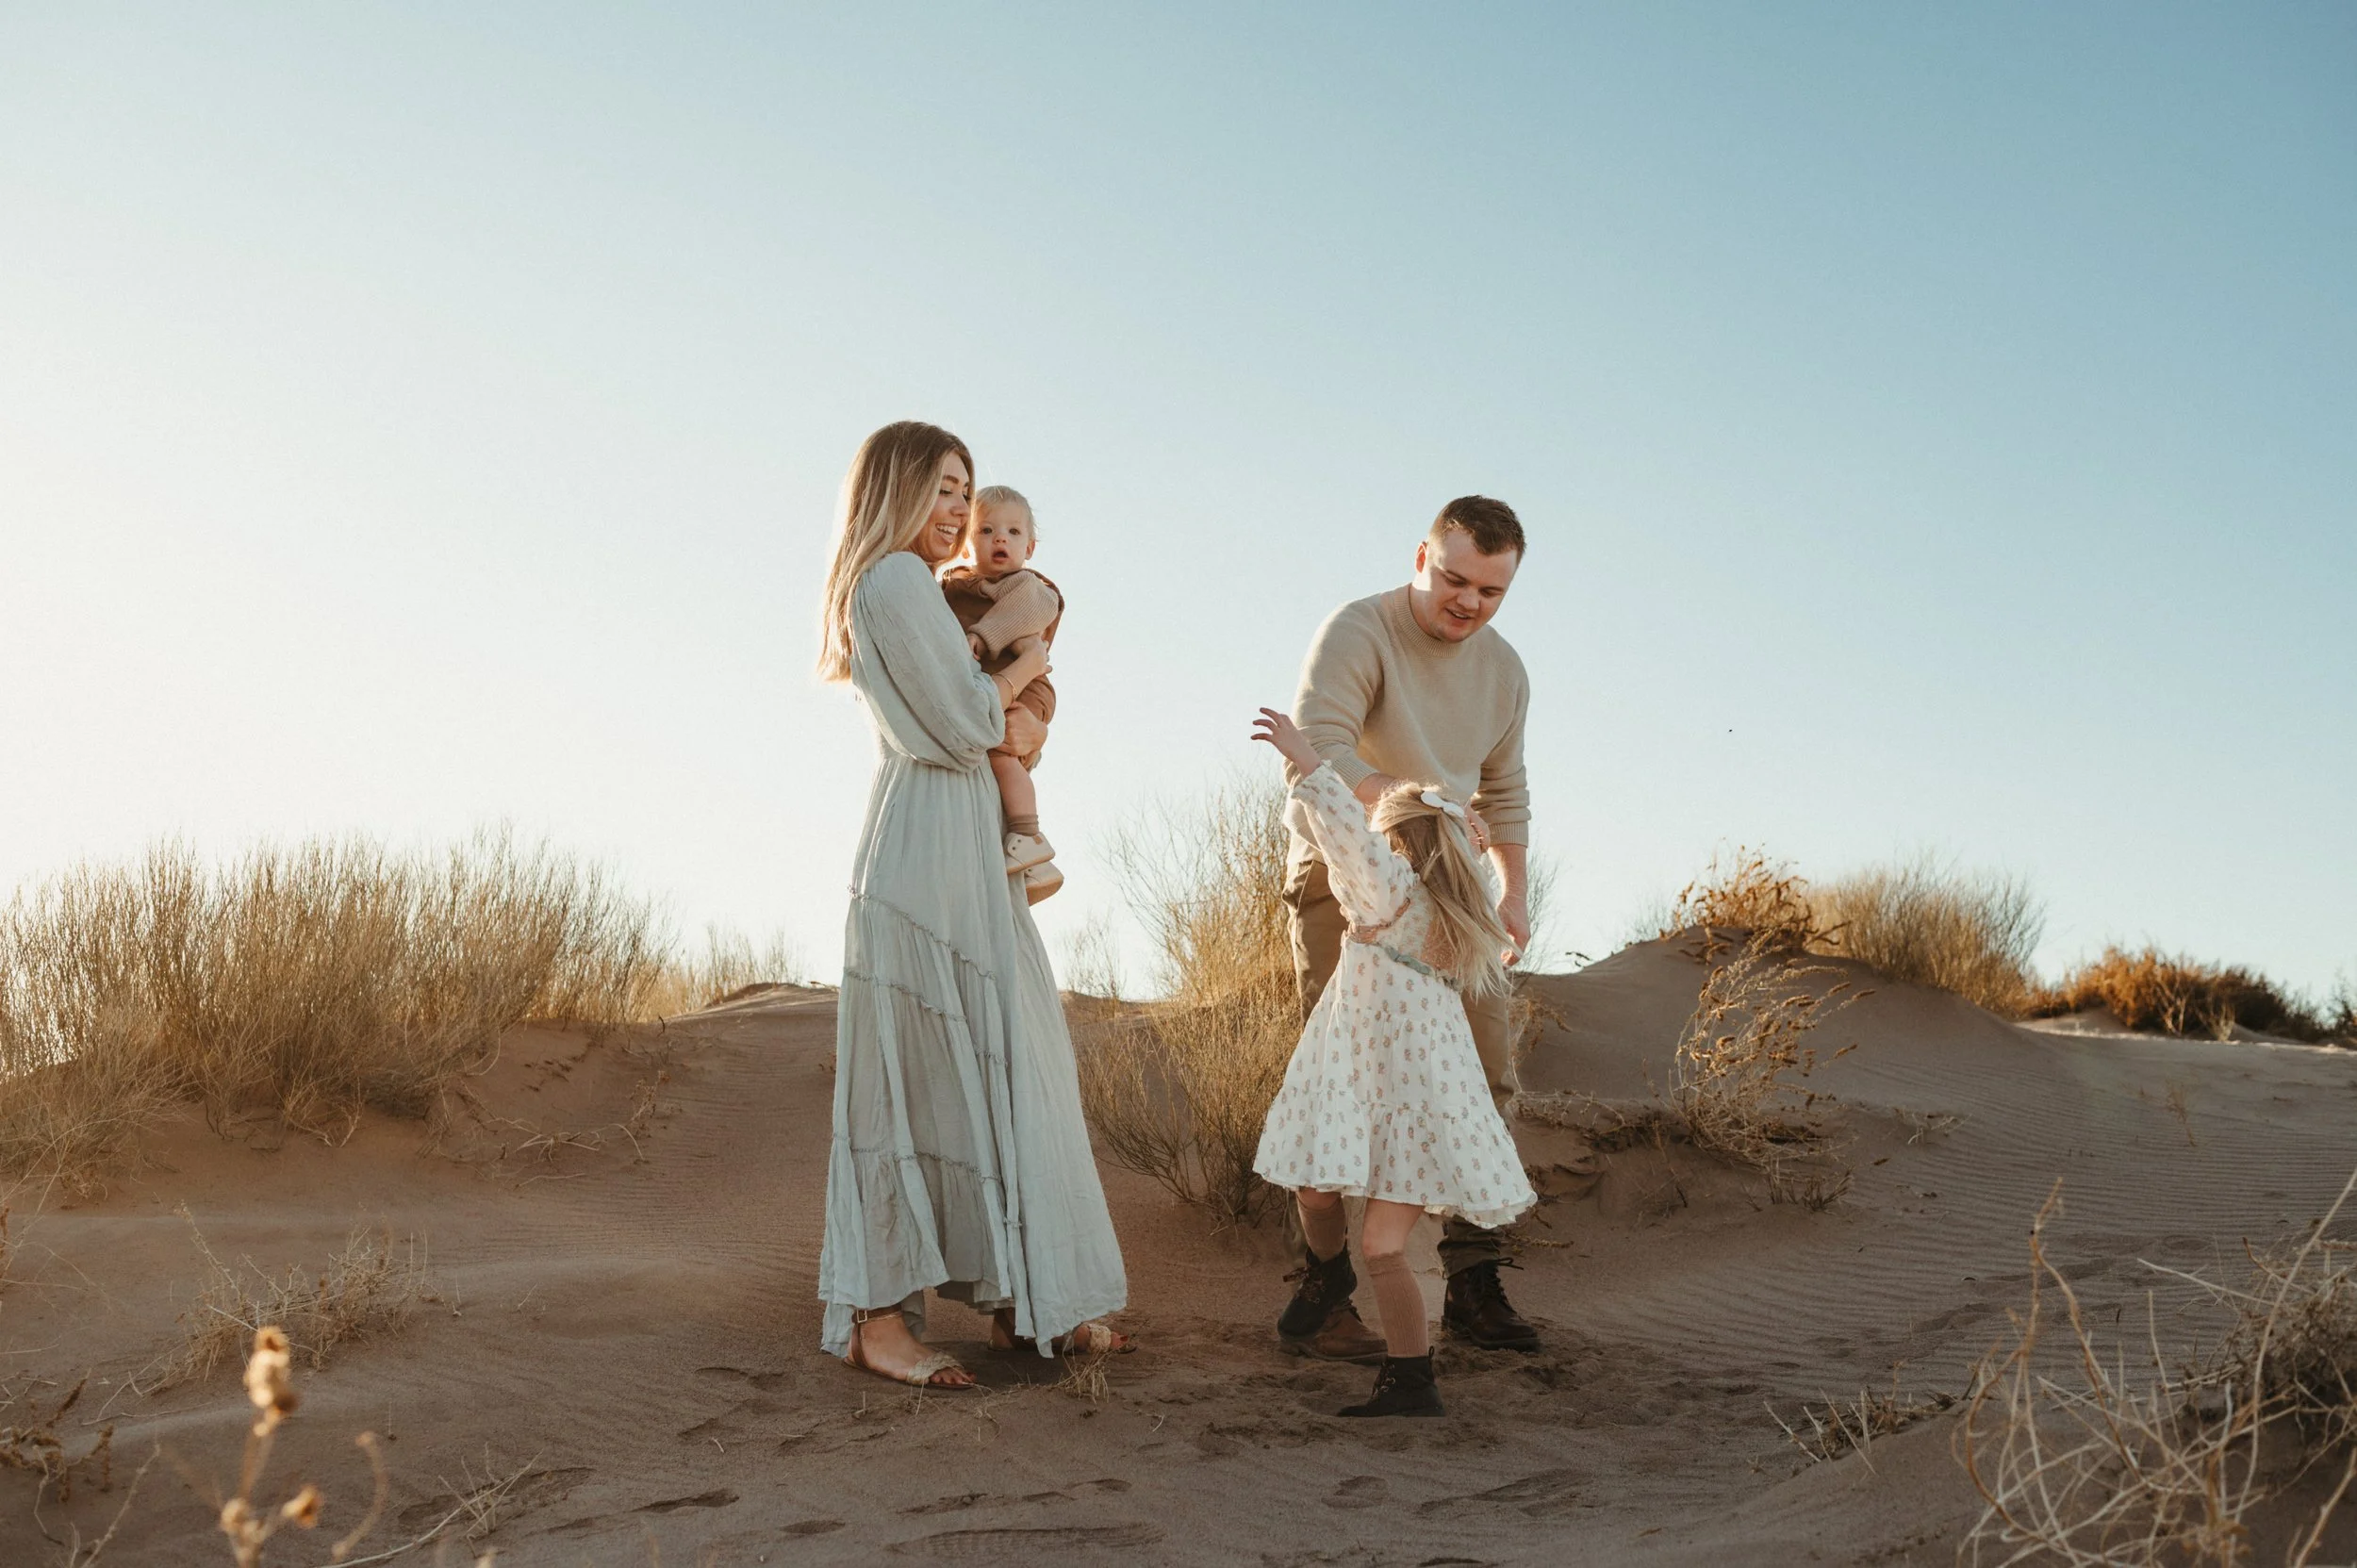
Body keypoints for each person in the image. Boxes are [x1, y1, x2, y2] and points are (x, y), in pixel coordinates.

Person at [814, 421, 1129, 1389]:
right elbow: (967, 725)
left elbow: (998, 727)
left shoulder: (920, 588)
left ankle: (1011, 1299)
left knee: (991, 1058)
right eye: (942, 488)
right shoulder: (895, 581)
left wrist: (1010, 675)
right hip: (925, 845)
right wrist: (1022, 654)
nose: (958, 510)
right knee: (909, 1077)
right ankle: (875, 1319)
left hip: (963, 846)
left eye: (967, 491)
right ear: (897, 489)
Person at [1278, 495, 1541, 1357]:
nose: (1469, 602)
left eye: (1491, 591)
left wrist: (1510, 891)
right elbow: (1322, 743)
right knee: (1342, 1083)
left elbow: (1504, 791)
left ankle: (1473, 1275)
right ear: (1421, 558)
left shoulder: (1505, 671)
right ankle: (1327, 1280)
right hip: (1348, 874)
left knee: (1487, 1067)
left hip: (1455, 894)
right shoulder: (1361, 629)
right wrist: (1420, 810)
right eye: (1456, 579)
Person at [1248, 707, 1537, 1417]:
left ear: (1398, 842)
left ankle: (1410, 1377)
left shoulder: (1391, 890)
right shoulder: (1455, 916)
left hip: (1382, 1090)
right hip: (1406, 1098)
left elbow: (1343, 829)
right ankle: (1368, 1327)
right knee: (1352, 1220)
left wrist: (1307, 759)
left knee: (1348, 1218)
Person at [938, 485, 1064, 904]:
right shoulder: (956, 585)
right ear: (966, 542)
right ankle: (1036, 867)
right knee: (995, 762)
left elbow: (1036, 608)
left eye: (1012, 533)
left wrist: (982, 635)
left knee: (1002, 753)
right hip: (997, 685)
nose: (999, 540)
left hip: (1028, 687)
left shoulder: (1026, 584)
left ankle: (1029, 835)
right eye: (986, 530)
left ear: (1029, 547)